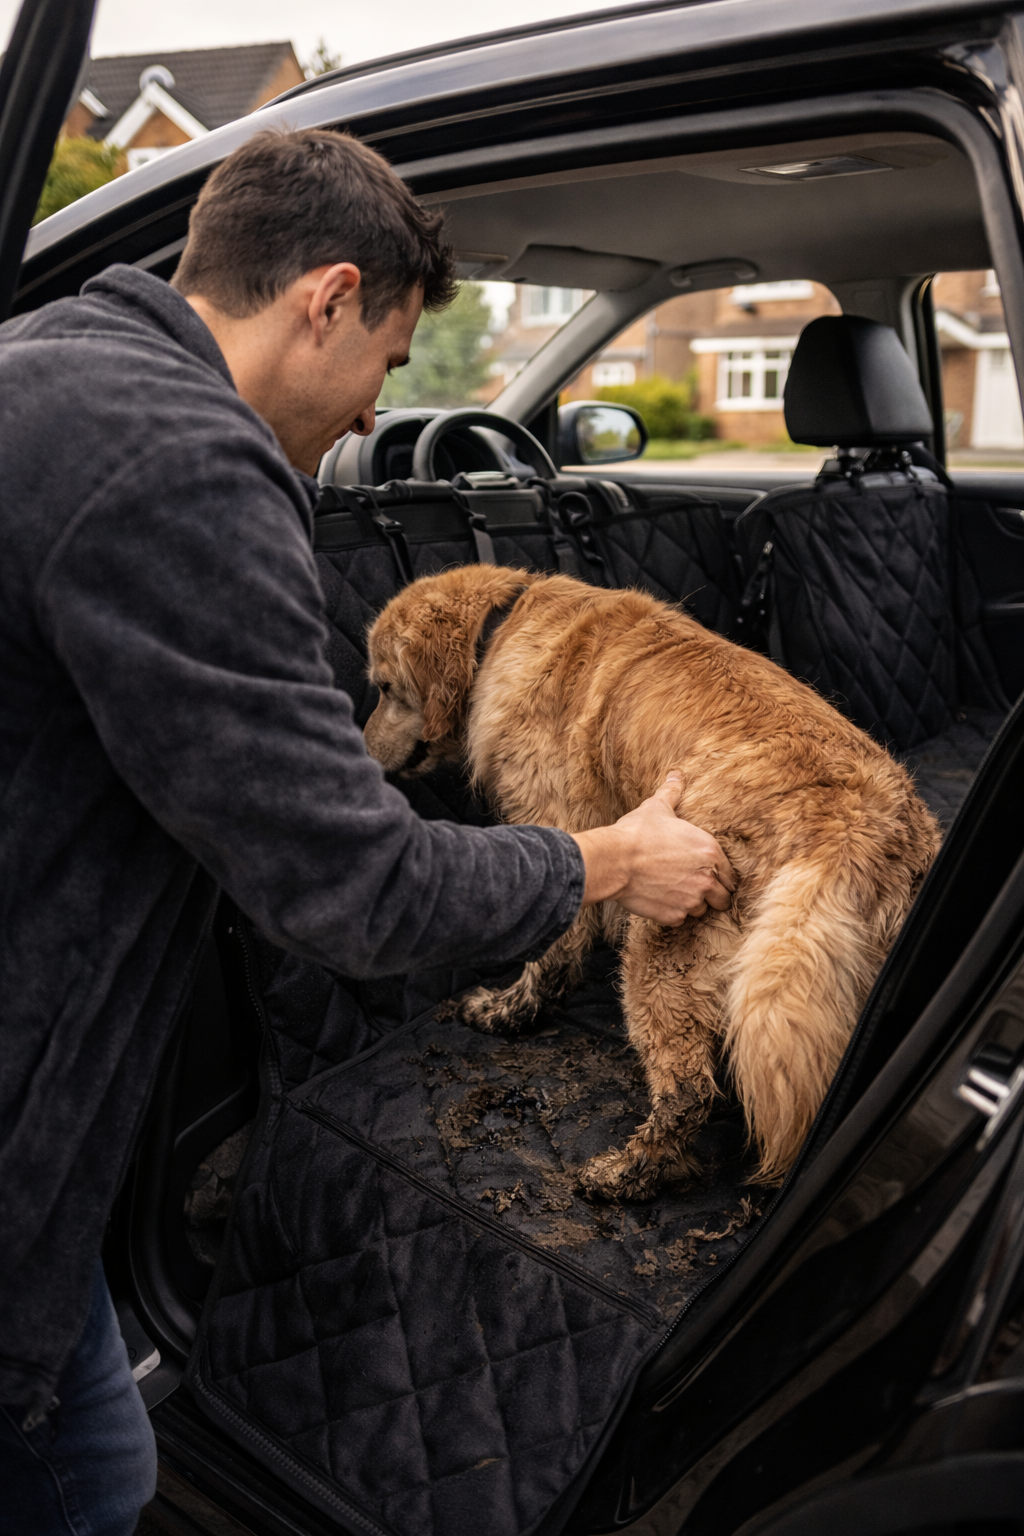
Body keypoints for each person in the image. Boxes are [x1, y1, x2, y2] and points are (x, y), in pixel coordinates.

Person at [0, 127, 735, 1534]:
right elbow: (354, 890)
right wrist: (607, 861)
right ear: (328, 298)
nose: (368, 424)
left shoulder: (46, 361)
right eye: (389, 370)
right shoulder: (186, 470)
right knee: (88, 1478)